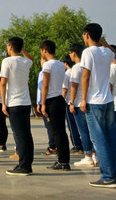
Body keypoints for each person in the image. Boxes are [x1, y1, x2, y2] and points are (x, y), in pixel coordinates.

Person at [81, 23, 116, 188]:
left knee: (99, 140)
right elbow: (113, 52)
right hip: (108, 101)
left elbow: (85, 76)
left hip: (94, 101)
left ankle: (107, 177)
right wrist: (101, 40)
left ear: (87, 35)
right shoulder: (107, 52)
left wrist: (83, 99)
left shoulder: (88, 52)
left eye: (84, 35)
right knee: (111, 139)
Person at [0, 36, 34, 176]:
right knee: (26, 134)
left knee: (20, 136)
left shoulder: (7, 61)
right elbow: (31, 58)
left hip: (14, 103)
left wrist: (3, 103)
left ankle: (24, 166)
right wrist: (21, 48)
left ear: (10, 47)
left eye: (8, 46)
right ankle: (25, 164)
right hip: (25, 103)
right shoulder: (26, 62)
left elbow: (3, 83)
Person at [40, 40, 71, 171]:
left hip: (51, 100)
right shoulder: (60, 64)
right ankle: (64, 160)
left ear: (45, 50)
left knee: (56, 133)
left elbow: (45, 84)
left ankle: (62, 161)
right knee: (61, 132)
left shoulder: (47, 65)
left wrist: (42, 104)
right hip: (59, 98)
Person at [68, 44, 96, 167]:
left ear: (74, 53)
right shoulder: (89, 66)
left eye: (70, 53)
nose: (70, 55)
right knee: (92, 131)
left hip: (79, 103)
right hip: (90, 101)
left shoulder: (76, 68)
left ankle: (88, 156)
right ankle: (95, 155)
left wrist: (71, 102)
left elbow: (74, 86)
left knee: (83, 131)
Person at [62, 54, 83, 154]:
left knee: (71, 126)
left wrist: (62, 100)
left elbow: (64, 89)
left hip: (70, 102)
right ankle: (82, 144)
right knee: (80, 126)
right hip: (79, 101)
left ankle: (76, 145)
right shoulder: (80, 69)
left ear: (66, 63)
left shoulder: (67, 74)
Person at [37, 59, 56, 156]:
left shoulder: (44, 72)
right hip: (49, 101)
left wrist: (41, 103)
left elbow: (42, 87)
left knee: (50, 126)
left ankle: (52, 146)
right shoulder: (57, 68)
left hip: (46, 101)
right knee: (53, 126)